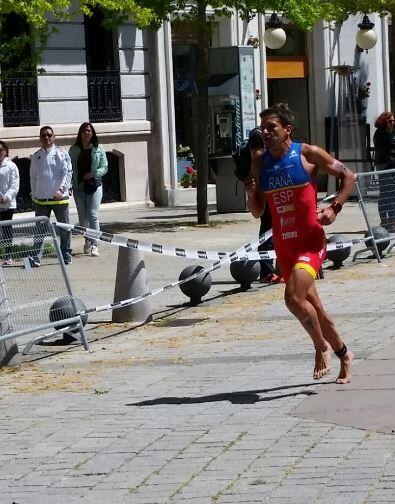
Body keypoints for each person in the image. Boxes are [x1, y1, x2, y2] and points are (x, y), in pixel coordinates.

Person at [245, 103, 355, 384]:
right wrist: (252, 192)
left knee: (293, 298)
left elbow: (348, 176)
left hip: (310, 242)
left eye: (272, 128)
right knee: (314, 306)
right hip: (284, 246)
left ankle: (321, 347)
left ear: (287, 130)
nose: (266, 133)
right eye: (263, 129)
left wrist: (334, 208)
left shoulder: (306, 154)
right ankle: (344, 354)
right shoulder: (260, 163)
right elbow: (258, 211)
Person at [30, 126, 72, 266]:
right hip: (41, 200)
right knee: (39, 230)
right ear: (40, 138)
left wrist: (61, 190)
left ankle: (66, 254)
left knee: (64, 228)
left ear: (53, 137)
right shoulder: (36, 156)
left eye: (49, 135)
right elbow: (33, 178)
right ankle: (36, 257)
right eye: (43, 135)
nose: (46, 137)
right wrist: (34, 195)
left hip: (60, 199)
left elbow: (68, 174)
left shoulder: (62, 153)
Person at [69, 122, 108, 257]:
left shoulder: (98, 149)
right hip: (78, 187)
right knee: (83, 218)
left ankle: (95, 245)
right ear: (80, 133)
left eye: (89, 131)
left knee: (93, 215)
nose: (86, 133)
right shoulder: (73, 150)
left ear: (93, 133)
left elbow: (105, 167)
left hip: (94, 185)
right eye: (84, 131)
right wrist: (70, 184)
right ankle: (87, 241)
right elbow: (69, 169)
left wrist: (93, 174)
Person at [373, 111, 395, 232]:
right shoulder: (383, 132)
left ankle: (387, 221)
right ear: (384, 120)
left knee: (387, 193)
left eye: (393, 121)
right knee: (389, 193)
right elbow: (391, 147)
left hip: (385, 165)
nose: (393, 123)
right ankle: (390, 221)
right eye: (390, 121)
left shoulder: (383, 132)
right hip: (386, 165)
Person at [0, 140, 20, 266]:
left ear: (5, 151)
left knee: (6, 230)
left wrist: (6, 197)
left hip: (7, 204)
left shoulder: (11, 166)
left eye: (1, 150)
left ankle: (8, 256)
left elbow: (14, 185)